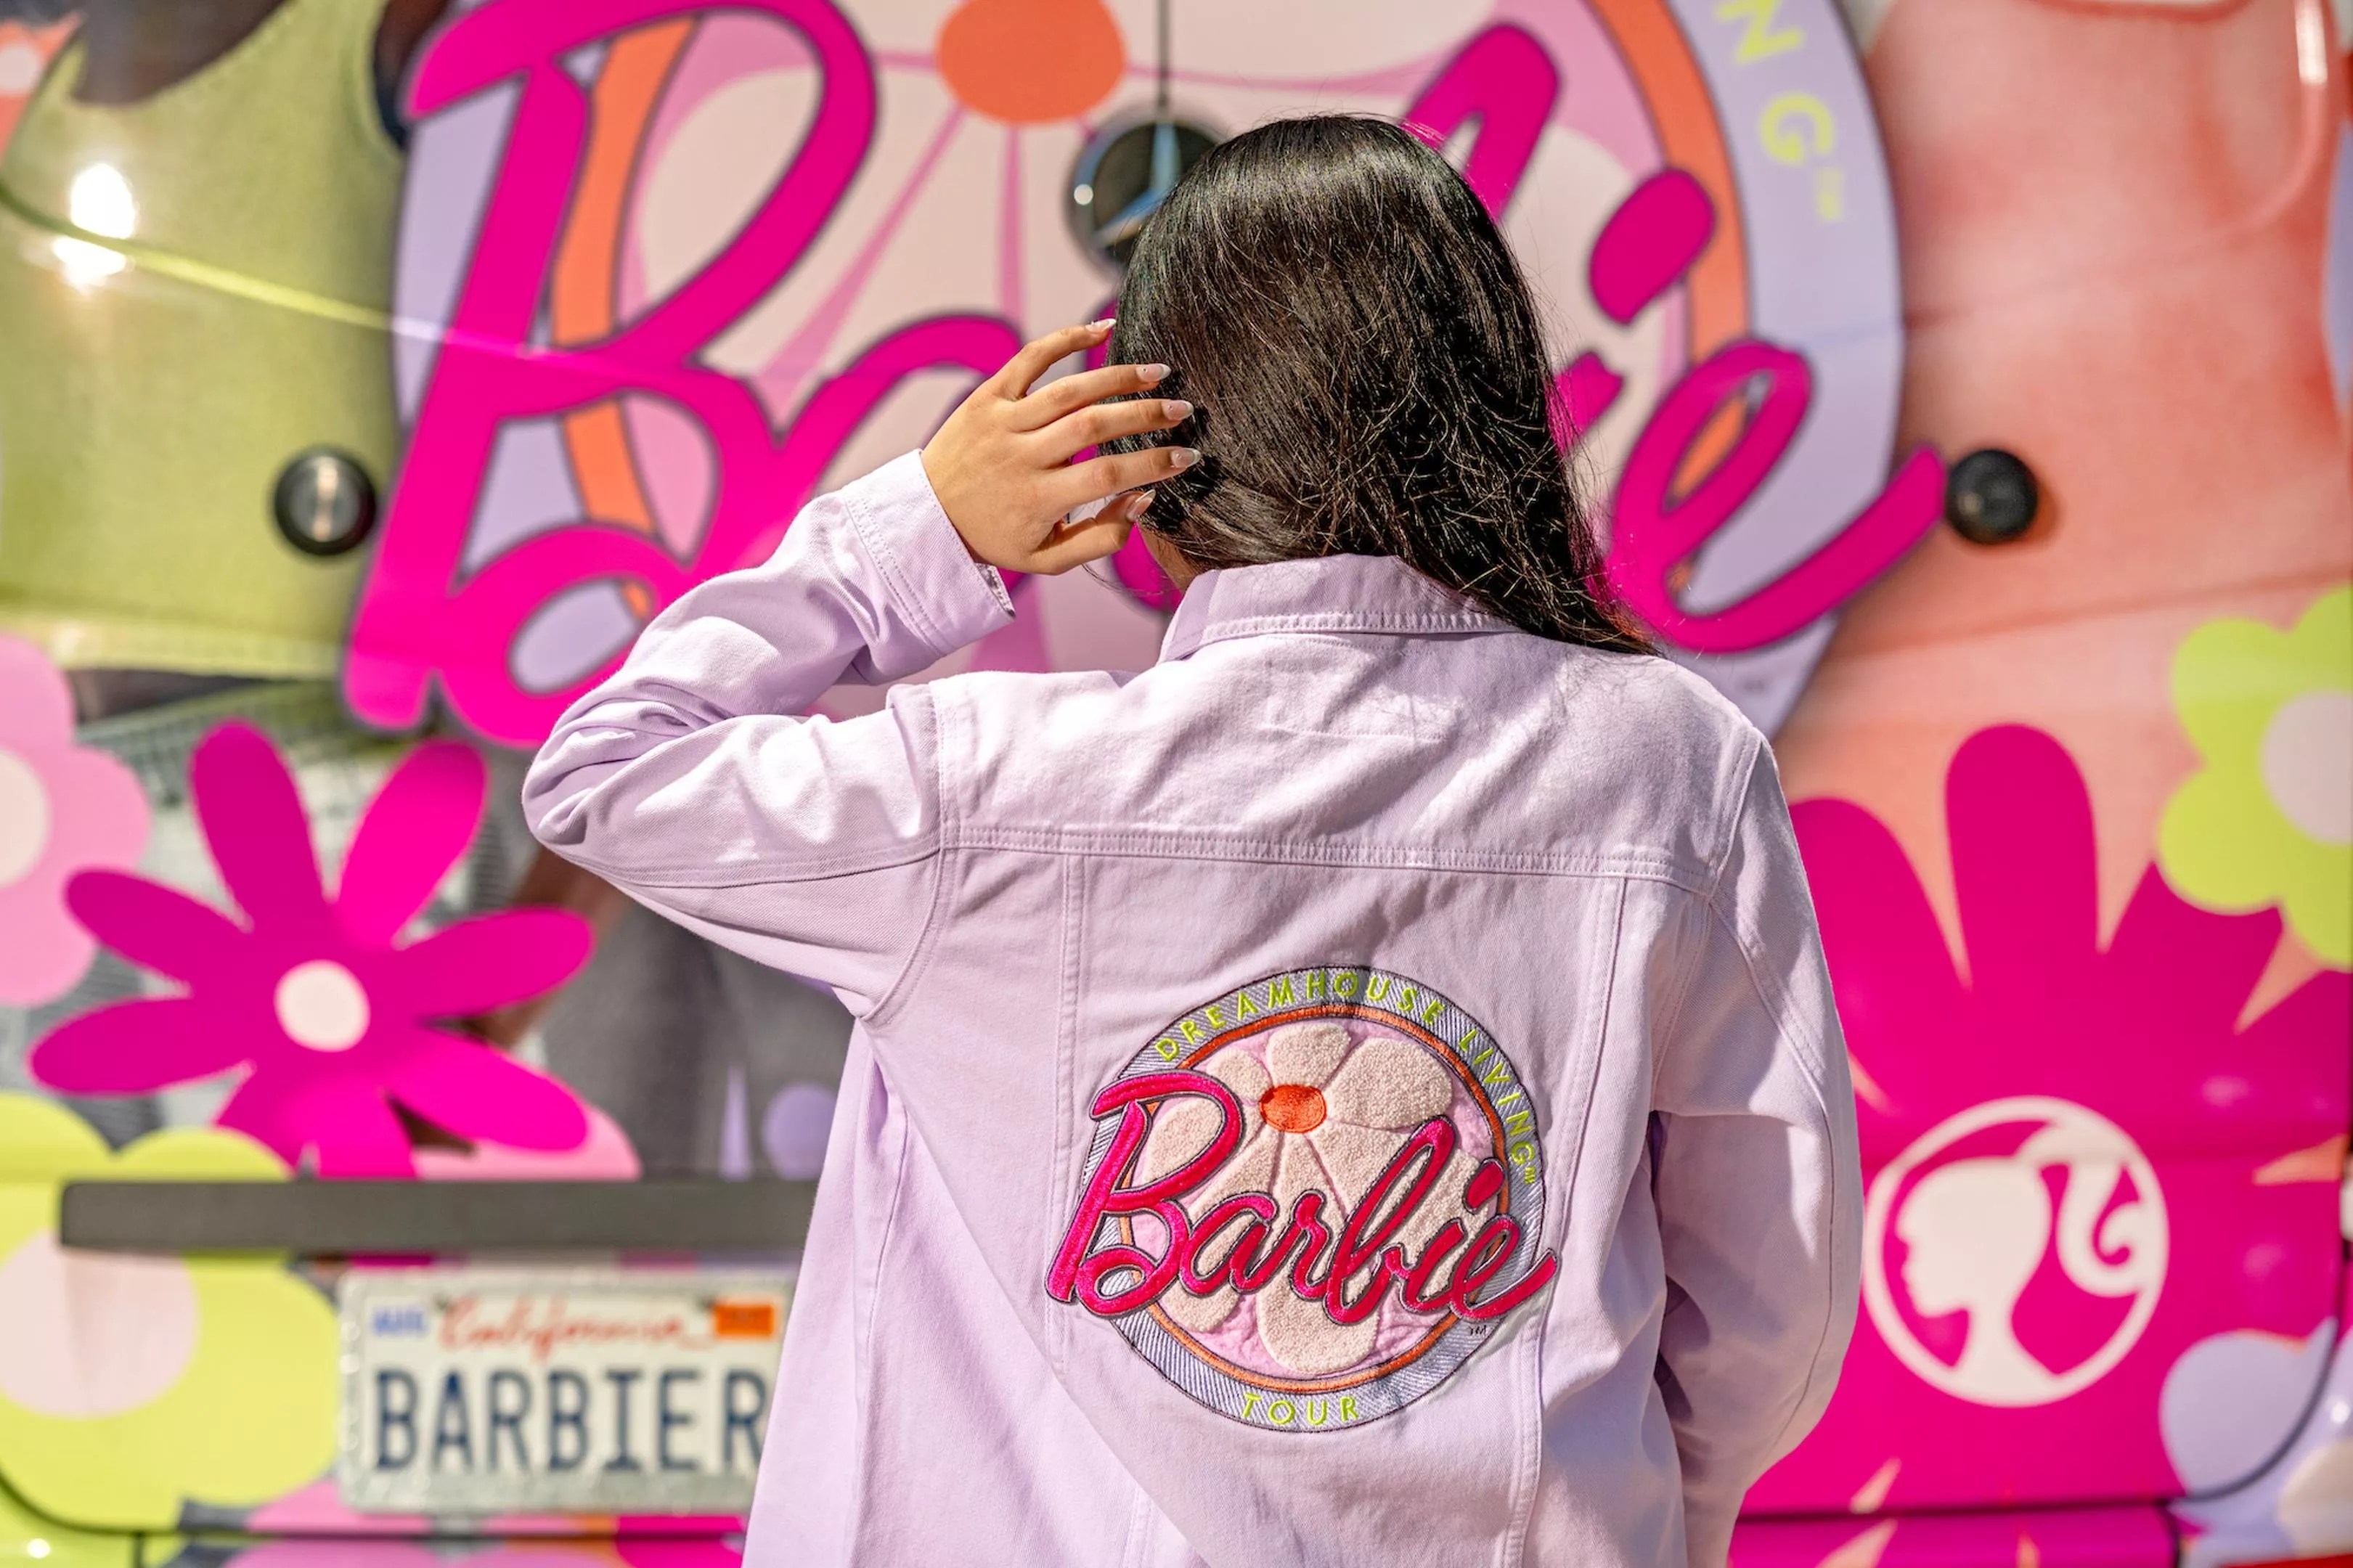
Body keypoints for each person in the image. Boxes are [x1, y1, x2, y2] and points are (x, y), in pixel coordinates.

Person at [525, 115, 1860, 1568]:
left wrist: (927, 530)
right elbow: (1765, 1285)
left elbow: (604, 773)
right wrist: (1646, 1508)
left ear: (1153, 469)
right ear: (1493, 403)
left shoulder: (988, 790)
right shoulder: (1663, 765)